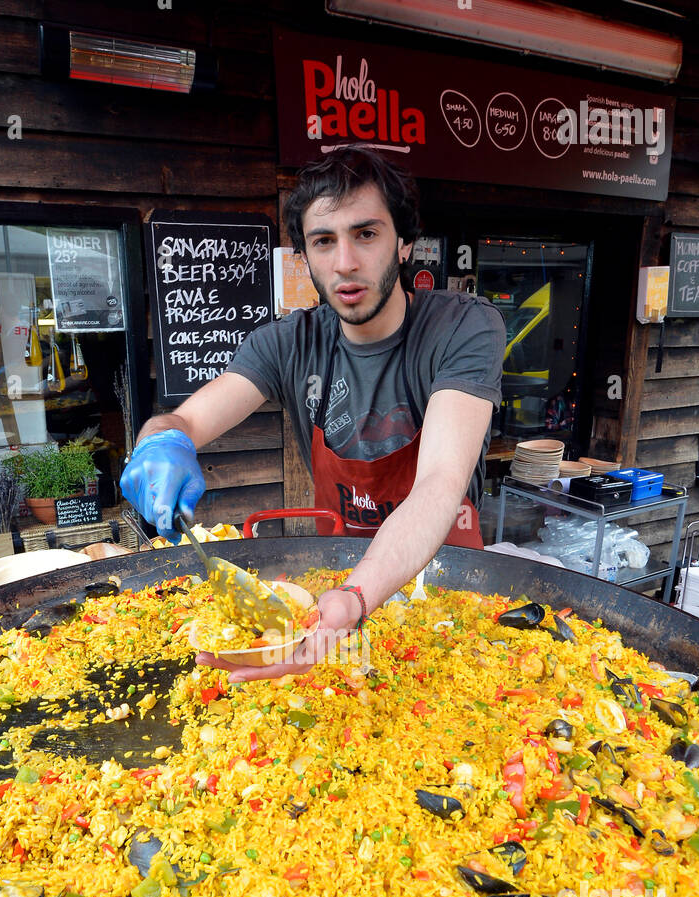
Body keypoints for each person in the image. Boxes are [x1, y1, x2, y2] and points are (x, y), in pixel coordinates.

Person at [121, 146, 504, 682]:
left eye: (366, 234)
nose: (345, 262)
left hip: (443, 586)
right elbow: (182, 420)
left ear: (404, 242)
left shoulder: (463, 327)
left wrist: (356, 595)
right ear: (305, 255)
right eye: (324, 241)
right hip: (334, 592)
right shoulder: (286, 345)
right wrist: (160, 442)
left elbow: (439, 482)